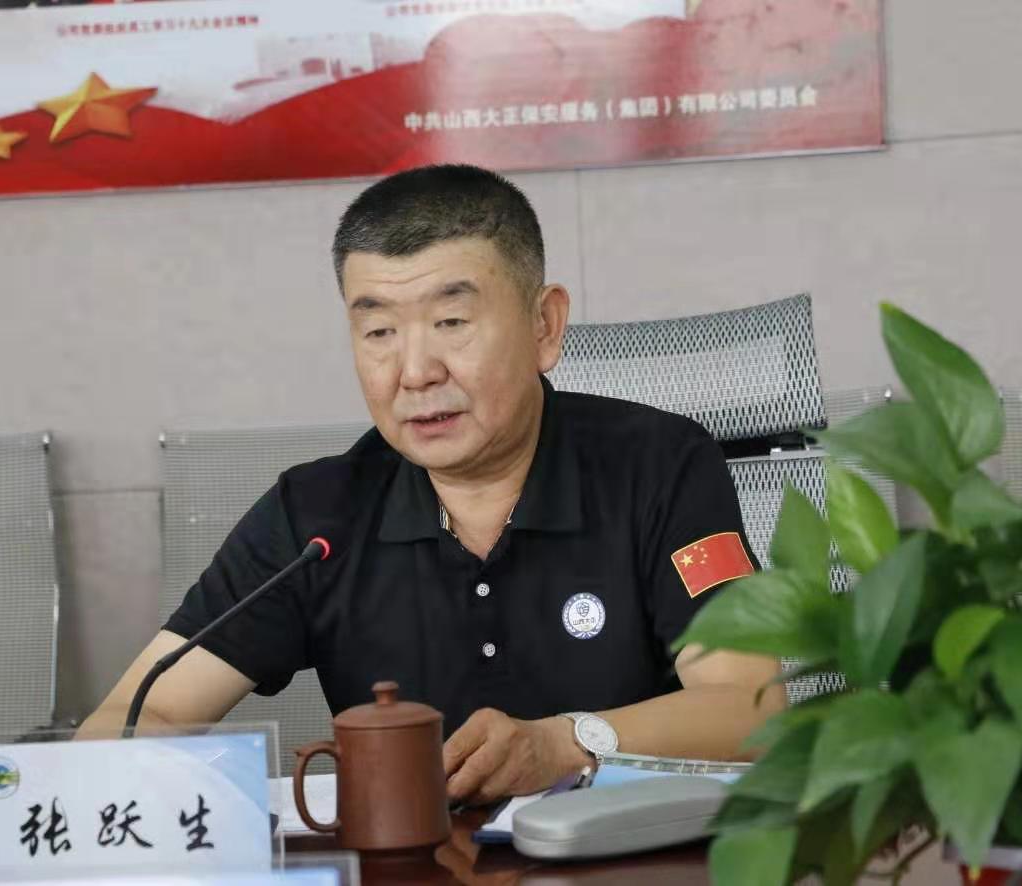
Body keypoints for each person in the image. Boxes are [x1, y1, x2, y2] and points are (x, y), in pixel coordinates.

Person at [80, 164, 786, 803]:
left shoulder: (660, 467)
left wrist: (569, 744)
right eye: (379, 333)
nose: (415, 373)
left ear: (544, 326)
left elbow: (749, 708)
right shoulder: (314, 520)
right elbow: (142, 712)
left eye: (451, 322)